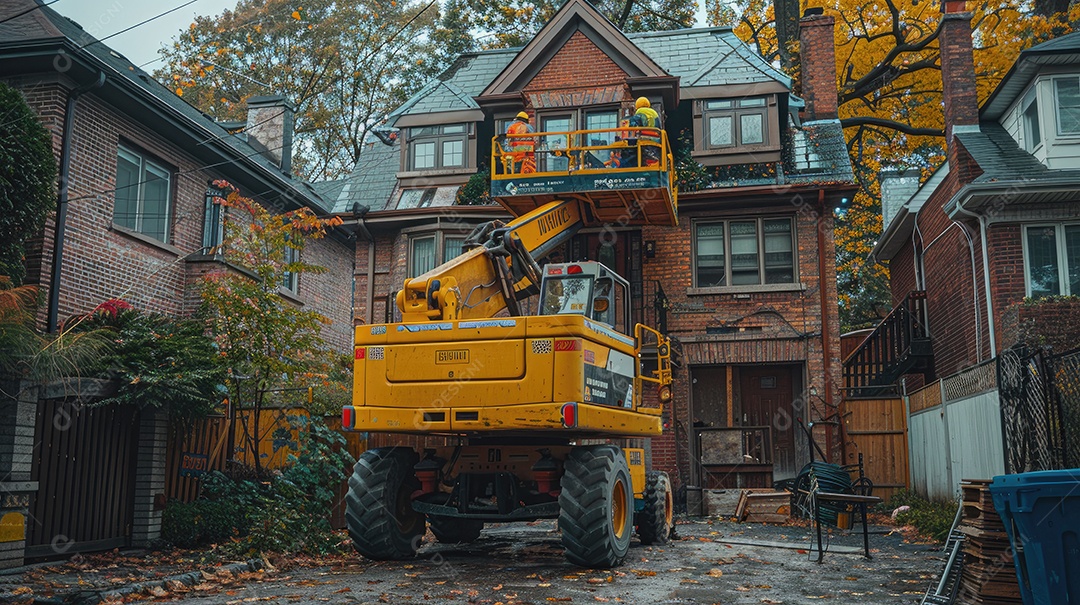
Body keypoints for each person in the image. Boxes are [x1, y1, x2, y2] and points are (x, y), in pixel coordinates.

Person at [629, 97, 662, 166]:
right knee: (654, 158)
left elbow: (633, 125)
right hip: (656, 140)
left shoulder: (639, 112)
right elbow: (659, 127)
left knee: (643, 159)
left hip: (644, 139)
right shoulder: (654, 113)